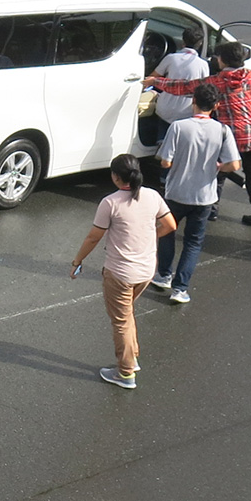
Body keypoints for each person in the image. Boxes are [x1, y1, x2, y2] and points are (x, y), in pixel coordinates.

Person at [150, 41, 251, 227]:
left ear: (222, 60)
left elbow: (183, 87)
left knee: (217, 172)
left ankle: (211, 209)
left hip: (228, 137)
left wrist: (155, 82)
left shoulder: (215, 82)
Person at [70, 155, 176, 389]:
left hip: (119, 273)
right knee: (127, 314)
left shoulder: (111, 202)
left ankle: (125, 373)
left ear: (116, 177)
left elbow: (93, 237)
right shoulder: (152, 196)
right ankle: (132, 357)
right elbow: (170, 225)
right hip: (147, 270)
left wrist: (77, 260)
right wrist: (149, 238)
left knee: (120, 321)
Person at [151, 82, 240, 304]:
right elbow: (234, 165)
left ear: (193, 101)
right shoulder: (222, 130)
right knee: (193, 242)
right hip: (205, 197)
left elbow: (165, 161)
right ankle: (180, 289)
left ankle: (163, 275)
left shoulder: (179, 127)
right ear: (216, 105)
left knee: (166, 232)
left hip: (176, 192)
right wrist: (218, 167)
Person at [143, 27, 211, 173]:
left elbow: (152, 78)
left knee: (164, 141)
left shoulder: (171, 58)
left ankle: (161, 157)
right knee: (179, 146)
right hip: (186, 113)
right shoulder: (203, 65)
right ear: (200, 44)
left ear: (183, 42)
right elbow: (203, 88)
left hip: (165, 110)